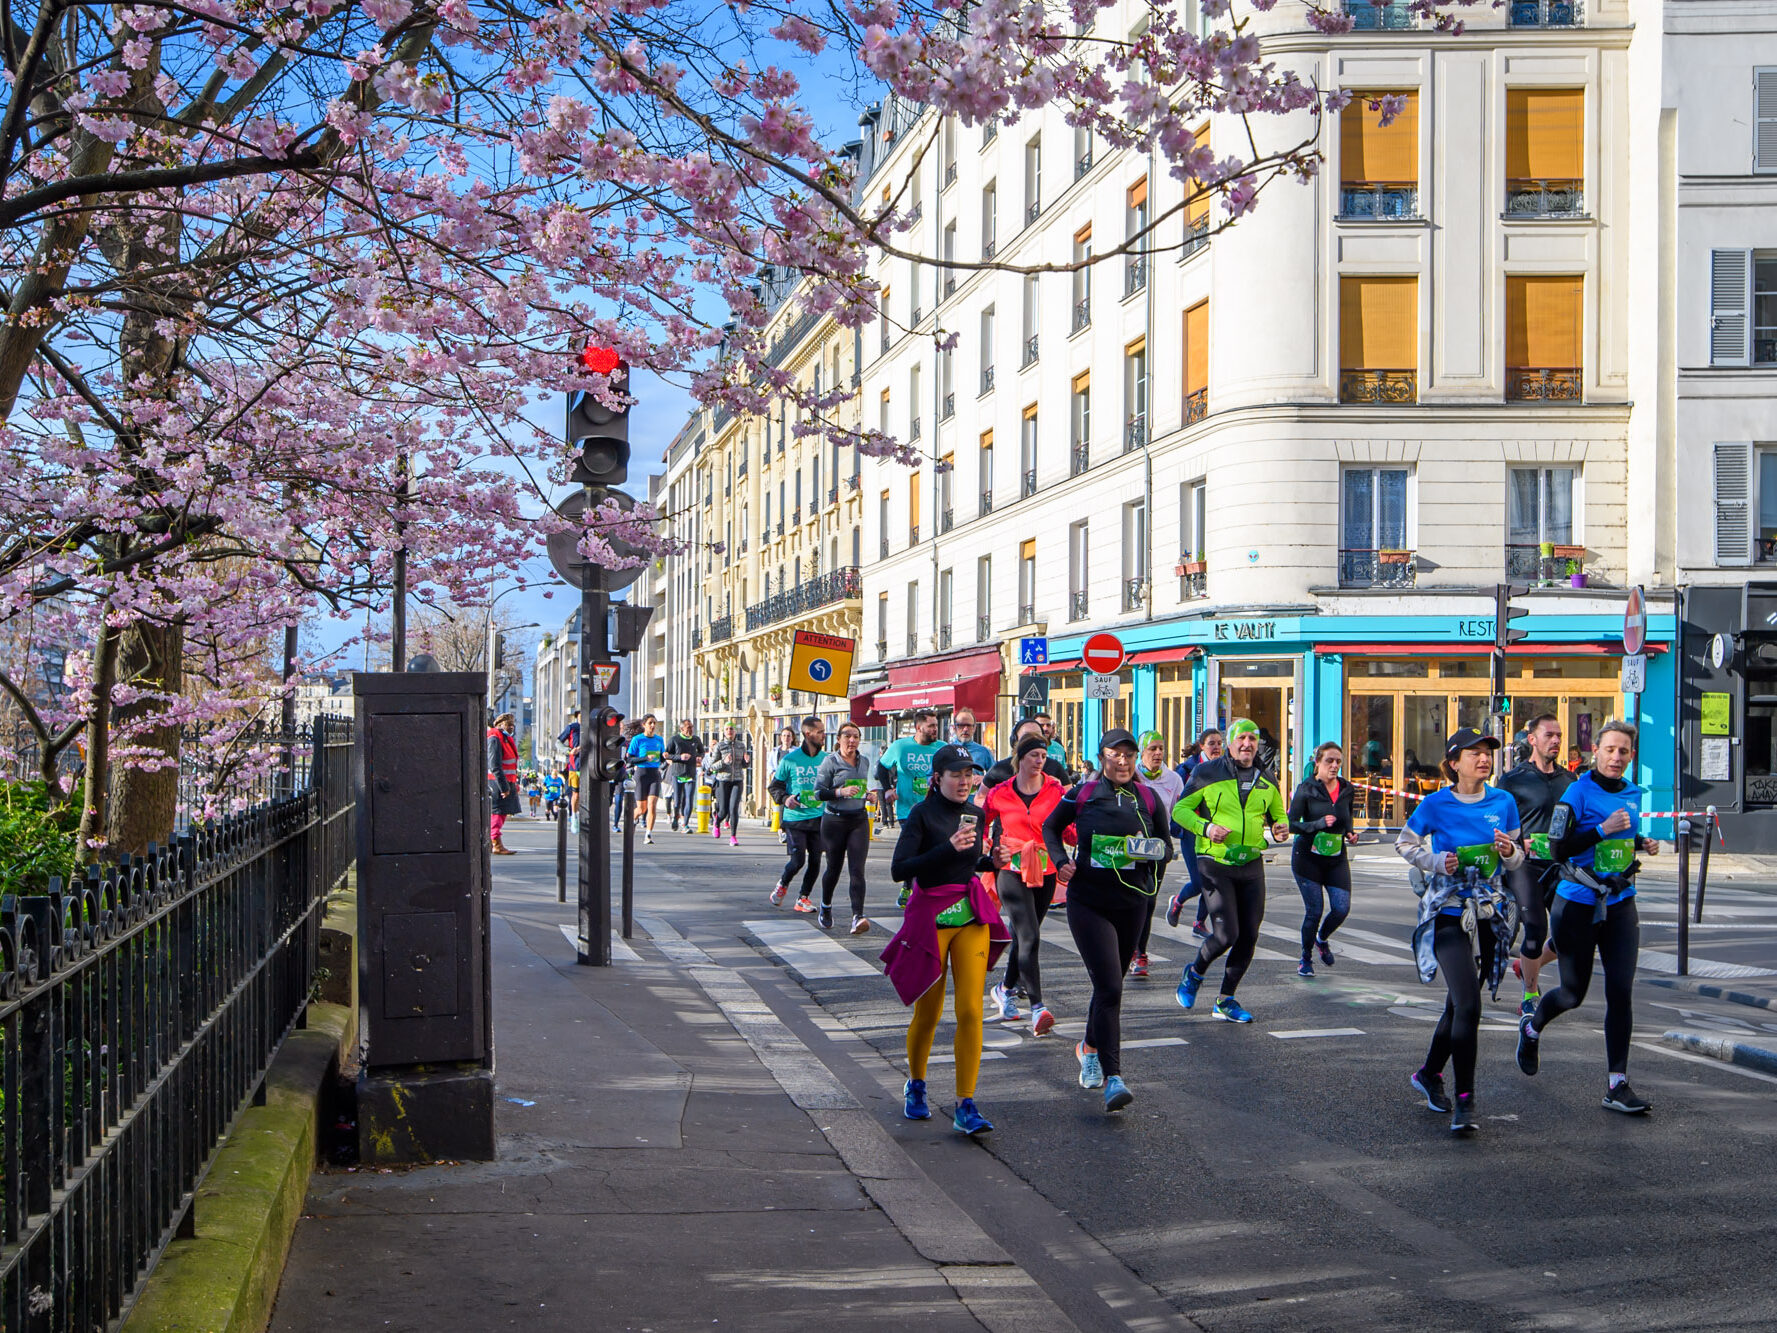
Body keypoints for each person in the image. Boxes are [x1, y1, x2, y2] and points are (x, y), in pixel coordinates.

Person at [1515, 721, 1658, 1115]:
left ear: (1631, 756)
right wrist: (1600, 830)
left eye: (1623, 751)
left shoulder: (1632, 793)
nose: (1616, 757)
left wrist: (1641, 842)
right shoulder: (1576, 792)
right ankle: (1532, 1028)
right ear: (1596, 751)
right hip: (1576, 903)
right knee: (1572, 994)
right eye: (1610, 749)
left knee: (1620, 992)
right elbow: (1557, 848)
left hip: (1620, 903)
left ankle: (1617, 1084)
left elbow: (1622, 838)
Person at [1394, 728, 1524, 1134]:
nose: (1484, 759)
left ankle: (1429, 1073)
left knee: (1457, 1006)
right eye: (1474, 753)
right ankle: (1465, 1100)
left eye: (1487, 753)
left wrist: (1509, 851)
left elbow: (1518, 857)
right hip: (1448, 912)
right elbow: (1405, 844)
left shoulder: (1503, 802)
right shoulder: (1435, 804)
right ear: (1454, 763)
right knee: (1468, 1004)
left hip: (1488, 913)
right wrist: (1436, 862)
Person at [880, 744, 1010, 1136]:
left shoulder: (976, 814)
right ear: (937, 779)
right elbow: (900, 869)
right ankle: (916, 1084)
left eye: (969, 774)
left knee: (970, 1010)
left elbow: (966, 864)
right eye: (956, 775)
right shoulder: (922, 815)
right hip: (931, 916)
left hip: (969, 914)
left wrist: (992, 862)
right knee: (929, 1013)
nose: (964, 781)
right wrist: (946, 847)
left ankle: (965, 1103)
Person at [1042, 729, 1171, 1112]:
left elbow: (1166, 848)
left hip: (1132, 903)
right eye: (1116, 755)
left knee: (1107, 987)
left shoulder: (1148, 797)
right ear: (1102, 758)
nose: (1123, 761)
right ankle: (1114, 1078)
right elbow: (1050, 827)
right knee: (1111, 986)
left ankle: (1088, 1047)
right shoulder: (1083, 793)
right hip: (1089, 902)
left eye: (1129, 755)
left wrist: (1144, 848)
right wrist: (1060, 861)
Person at [1171, 718, 1288, 1024]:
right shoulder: (1207, 772)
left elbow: (1278, 814)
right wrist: (1206, 828)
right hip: (1215, 862)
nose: (1247, 744)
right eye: (1242, 738)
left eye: (1253, 738)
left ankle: (1225, 1000)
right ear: (1230, 743)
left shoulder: (1267, 776)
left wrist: (1280, 828)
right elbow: (1180, 811)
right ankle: (1194, 973)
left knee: (1249, 935)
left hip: (1250, 863)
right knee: (1226, 934)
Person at [981, 733, 1065, 1033]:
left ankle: (1004, 988)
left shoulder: (1055, 789)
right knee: (1029, 935)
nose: (1039, 761)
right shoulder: (1001, 791)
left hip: (1045, 868)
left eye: (1043, 756)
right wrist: (987, 845)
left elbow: (1067, 825)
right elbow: (981, 819)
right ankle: (1038, 1007)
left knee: (1024, 935)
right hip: (1011, 868)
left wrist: (1077, 839)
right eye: (1034, 755)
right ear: (1020, 758)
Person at [1496, 713, 1574, 1014]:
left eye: (1559, 735)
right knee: (1536, 929)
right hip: (1524, 866)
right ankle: (1530, 995)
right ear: (1532, 739)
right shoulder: (1513, 780)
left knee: (1571, 931)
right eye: (1549, 735)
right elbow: (1497, 823)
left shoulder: (1569, 780)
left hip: (1559, 865)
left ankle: (1527, 964)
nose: (1556, 740)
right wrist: (1518, 843)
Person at [1289, 742, 1357, 978]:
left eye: (1338, 761)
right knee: (1314, 910)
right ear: (1317, 763)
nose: (1334, 766)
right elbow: (1291, 824)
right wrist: (1317, 824)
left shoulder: (1347, 789)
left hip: (1335, 857)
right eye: (1329, 761)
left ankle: (1322, 938)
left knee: (1341, 908)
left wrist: (1350, 833)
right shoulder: (1306, 789)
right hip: (1307, 858)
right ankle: (1305, 958)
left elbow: (1347, 818)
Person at [1130, 731, 1183, 980]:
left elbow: (1178, 812)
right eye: (1152, 748)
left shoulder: (1173, 779)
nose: (1158, 753)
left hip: (1157, 849)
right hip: (1129, 849)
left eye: (1161, 748)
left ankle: (1140, 953)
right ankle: (1128, 947)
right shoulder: (1130, 775)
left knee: (1148, 902)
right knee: (1130, 901)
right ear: (1142, 752)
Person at [815, 722, 874, 933]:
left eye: (856, 736)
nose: (852, 740)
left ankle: (858, 916)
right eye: (847, 736)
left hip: (858, 819)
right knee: (834, 867)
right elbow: (818, 793)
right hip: (834, 821)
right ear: (838, 739)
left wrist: (868, 795)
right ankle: (826, 906)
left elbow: (860, 790)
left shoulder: (864, 761)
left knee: (857, 870)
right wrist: (840, 792)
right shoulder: (830, 762)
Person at [1166, 728, 1224, 934]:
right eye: (1211, 743)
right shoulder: (1188, 770)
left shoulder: (1224, 768)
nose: (1216, 747)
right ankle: (1178, 901)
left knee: (1213, 880)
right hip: (1192, 831)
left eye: (1219, 743)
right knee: (1199, 882)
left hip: (1215, 831)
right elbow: (1178, 803)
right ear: (1201, 746)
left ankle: (1199, 922)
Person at [768, 716, 827, 914]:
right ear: (808, 734)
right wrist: (785, 799)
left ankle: (803, 898)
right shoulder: (790, 760)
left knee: (816, 861)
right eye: (820, 732)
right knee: (798, 860)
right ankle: (783, 884)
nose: (824, 735)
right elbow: (775, 787)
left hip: (818, 817)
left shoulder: (826, 759)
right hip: (795, 819)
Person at [876, 710, 945, 825]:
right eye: (931, 726)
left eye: (936, 725)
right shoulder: (900, 746)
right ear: (918, 728)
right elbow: (882, 766)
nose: (935, 729)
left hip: (935, 810)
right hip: (907, 811)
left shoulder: (943, 747)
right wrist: (887, 789)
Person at [980, 718, 1069, 790]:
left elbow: (1069, 797)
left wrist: (1059, 790)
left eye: (1037, 736)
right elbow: (981, 797)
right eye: (1027, 736)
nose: (1033, 740)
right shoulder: (1000, 769)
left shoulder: (1054, 766)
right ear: (1015, 740)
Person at [626, 714, 667, 844]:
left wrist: (665, 756)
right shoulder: (637, 739)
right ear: (644, 725)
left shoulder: (659, 740)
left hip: (654, 774)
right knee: (641, 809)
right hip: (641, 774)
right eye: (650, 723)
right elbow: (629, 759)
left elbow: (662, 758)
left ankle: (648, 834)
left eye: (654, 723)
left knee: (652, 805)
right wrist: (645, 758)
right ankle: (632, 820)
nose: (653, 725)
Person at [486, 711, 521, 855]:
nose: (511, 727)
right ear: (500, 725)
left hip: (506, 782)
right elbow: (495, 765)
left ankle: (494, 842)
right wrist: (504, 787)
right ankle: (495, 843)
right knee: (498, 813)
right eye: (508, 724)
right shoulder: (495, 738)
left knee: (502, 813)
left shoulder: (504, 738)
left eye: (513, 724)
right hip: (498, 784)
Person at [708, 724, 749, 845]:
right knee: (723, 811)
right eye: (727, 729)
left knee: (733, 809)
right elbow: (712, 766)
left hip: (737, 780)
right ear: (724, 732)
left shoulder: (741, 745)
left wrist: (747, 762)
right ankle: (717, 822)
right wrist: (724, 762)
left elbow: (744, 765)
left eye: (731, 729)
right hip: (723, 780)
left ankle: (733, 836)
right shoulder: (719, 746)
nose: (729, 731)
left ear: (735, 731)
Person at [665, 719, 706, 833]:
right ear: (682, 729)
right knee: (677, 800)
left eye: (692, 727)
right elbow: (667, 755)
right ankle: (675, 817)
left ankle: (685, 824)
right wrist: (680, 757)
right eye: (688, 727)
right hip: (677, 773)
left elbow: (702, 752)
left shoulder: (696, 739)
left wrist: (699, 757)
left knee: (689, 799)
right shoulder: (674, 739)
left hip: (690, 773)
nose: (691, 729)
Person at [950, 708, 996, 776]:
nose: (965, 729)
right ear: (954, 728)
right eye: (961, 725)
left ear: (974, 728)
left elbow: (996, 776)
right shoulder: (946, 751)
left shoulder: (983, 752)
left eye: (969, 726)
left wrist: (984, 779)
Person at [772, 724, 798, 843]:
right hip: (780, 782)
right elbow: (771, 766)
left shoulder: (796, 752)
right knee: (782, 805)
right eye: (784, 735)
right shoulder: (775, 751)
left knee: (791, 805)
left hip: (792, 783)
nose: (786, 738)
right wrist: (773, 774)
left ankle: (788, 830)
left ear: (792, 738)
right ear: (780, 737)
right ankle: (783, 830)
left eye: (788, 736)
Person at [1034, 710, 1069, 775]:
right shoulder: (1026, 748)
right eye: (1041, 725)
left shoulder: (1059, 748)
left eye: (1048, 725)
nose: (1045, 728)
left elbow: (1064, 773)